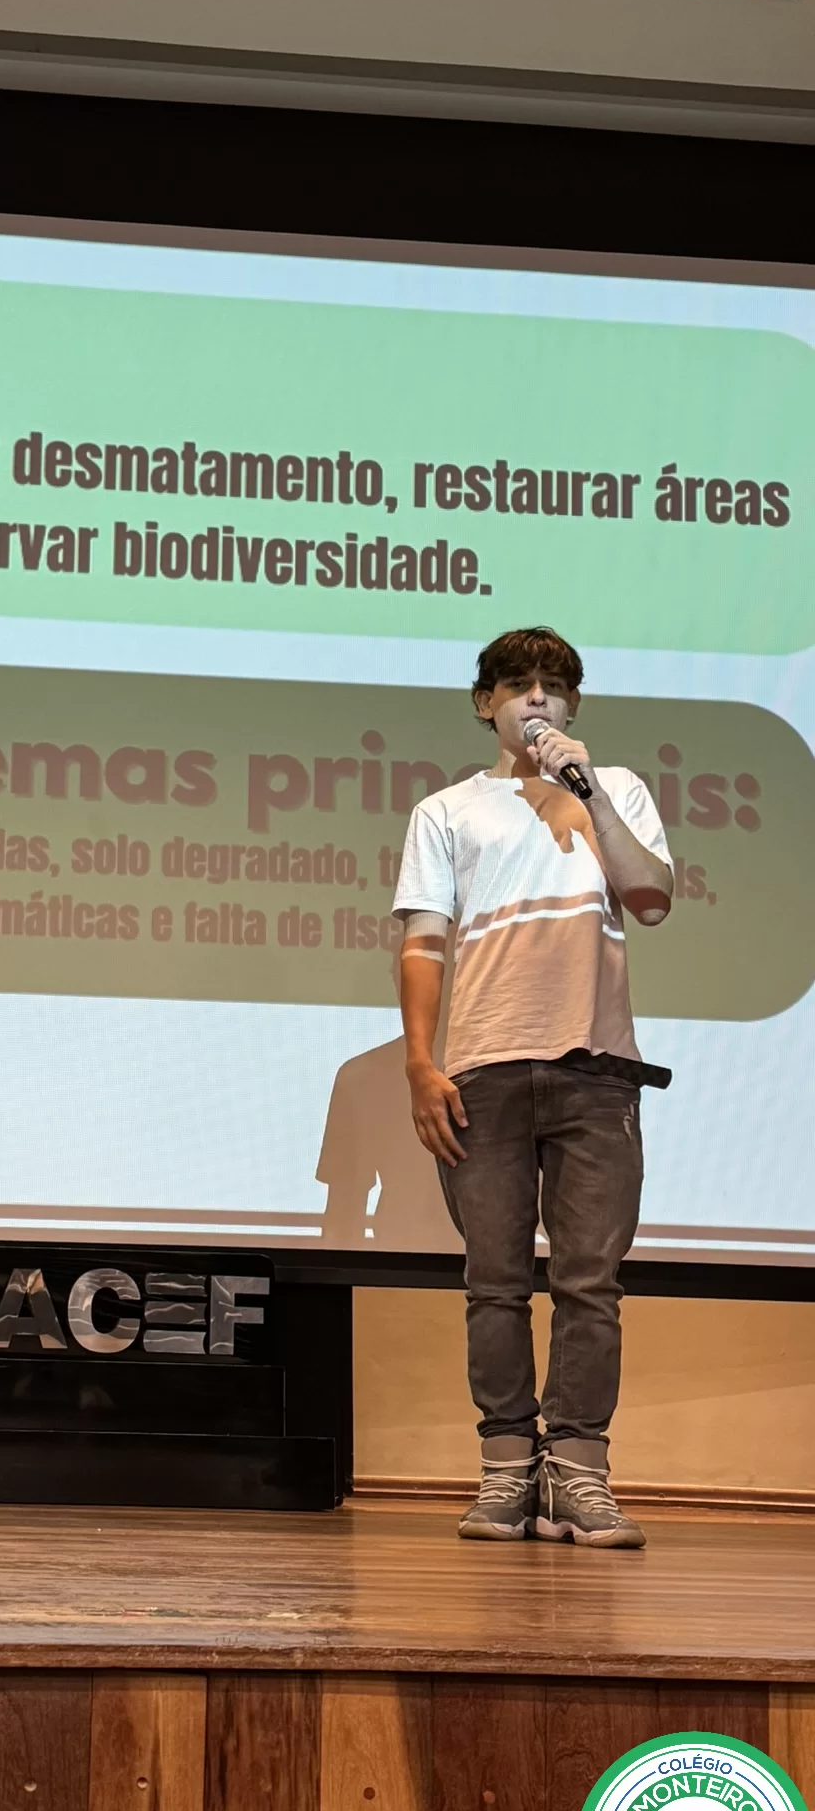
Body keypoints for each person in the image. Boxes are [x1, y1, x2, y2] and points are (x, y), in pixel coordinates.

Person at [392, 627, 673, 1548]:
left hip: (598, 1073)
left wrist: (586, 796)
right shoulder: (446, 811)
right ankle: (508, 1471)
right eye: (518, 685)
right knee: (495, 1284)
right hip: (485, 1069)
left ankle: (579, 1475)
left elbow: (651, 898)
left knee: (591, 1283)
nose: (538, 699)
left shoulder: (614, 790)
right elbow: (424, 942)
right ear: (486, 704)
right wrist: (421, 1062)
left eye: (554, 685)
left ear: (574, 704)